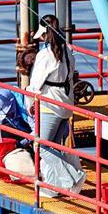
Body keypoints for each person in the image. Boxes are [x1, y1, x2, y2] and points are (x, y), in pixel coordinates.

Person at [28, 14, 76, 146]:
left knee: (41, 147)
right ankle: (62, 161)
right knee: (54, 146)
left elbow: (35, 85)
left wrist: (30, 104)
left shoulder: (45, 55)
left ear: (44, 35)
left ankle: (73, 163)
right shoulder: (68, 51)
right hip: (66, 104)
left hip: (50, 106)